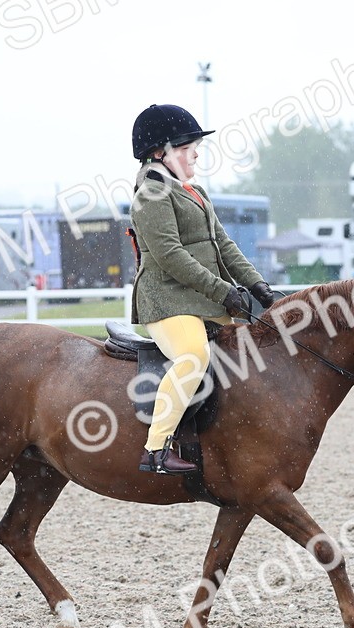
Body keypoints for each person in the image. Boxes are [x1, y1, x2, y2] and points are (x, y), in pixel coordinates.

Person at [128, 104, 275, 475]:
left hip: (203, 299)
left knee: (254, 349)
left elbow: (223, 244)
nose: (195, 154)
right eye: (187, 148)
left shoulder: (195, 192)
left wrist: (256, 284)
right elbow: (171, 255)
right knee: (193, 356)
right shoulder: (150, 195)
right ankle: (156, 449)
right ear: (160, 153)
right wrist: (224, 291)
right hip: (166, 300)